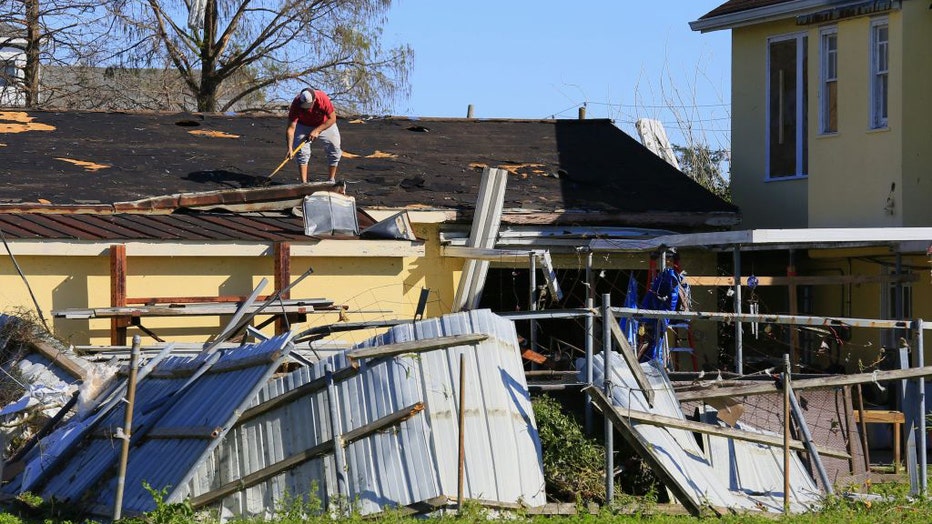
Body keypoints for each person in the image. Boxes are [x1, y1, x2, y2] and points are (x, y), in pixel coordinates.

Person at [286, 87, 342, 183]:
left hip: (324, 124)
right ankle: (304, 183)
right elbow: (291, 128)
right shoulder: (296, 103)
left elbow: (332, 119)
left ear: (314, 100)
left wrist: (317, 130)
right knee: (301, 153)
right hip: (303, 125)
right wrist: (290, 148)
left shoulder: (322, 98)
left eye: (308, 105)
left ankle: (331, 180)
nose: (306, 108)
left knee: (334, 149)